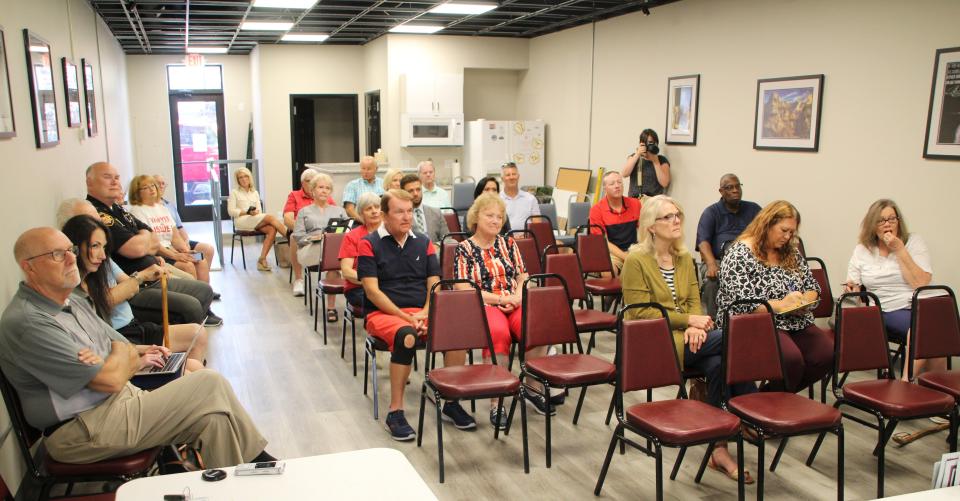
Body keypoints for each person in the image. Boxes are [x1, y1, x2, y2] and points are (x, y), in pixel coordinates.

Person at [0, 227, 275, 468]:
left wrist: (112, 356)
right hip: (83, 429)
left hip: (118, 403)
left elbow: (121, 346)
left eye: (70, 250)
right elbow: (110, 378)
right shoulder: (29, 322)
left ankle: (235, 486)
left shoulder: (71, 301)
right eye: (57, 255)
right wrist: (117, 358)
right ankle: (260, 462)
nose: (72, 258)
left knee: (214, 420)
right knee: (208, 382)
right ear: (29, 267)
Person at [621, 195, 756, 484]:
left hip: (691, 340)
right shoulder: (636, 260)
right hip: (653, 342)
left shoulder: (683, 258)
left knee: (720, 363)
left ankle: (719, 448)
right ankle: (749, 404)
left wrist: (697, 326)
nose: (676, 221)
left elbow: (695, 299)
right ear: (651, 226)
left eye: (678, 215)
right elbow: (641, 313)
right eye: (668, 217)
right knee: (737, 335)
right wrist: (689, 321)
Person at [357, 189, 474, 440]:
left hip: (420, 312)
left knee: (456, 333)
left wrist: (425, 312)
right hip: (383, 314)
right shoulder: (369, 243)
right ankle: (395, 411)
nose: (406, 216)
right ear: (385, 215)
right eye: (399, 211)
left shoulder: (423, 241)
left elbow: (435, 284)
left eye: (409, 211)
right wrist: (406, 317)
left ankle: (451, 402)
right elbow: (372, 291)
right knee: (407, 336)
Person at [61, 214, 208, 373]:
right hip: (121, 342)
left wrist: (145, 349)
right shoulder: (73, 293)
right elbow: (106, 304)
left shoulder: (102, 264)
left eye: (103, 247)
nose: (102, 255)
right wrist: (139, 277)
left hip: (133, 329)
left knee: (197, 340)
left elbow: (131, 288)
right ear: (74, 247)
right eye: (95, 246)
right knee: (193, 372)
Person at [453, 194, 553, 426]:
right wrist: (500, 299)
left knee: (536, 326)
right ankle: (497, 402)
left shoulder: (508, 243)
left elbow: (523, 275)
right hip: (485, 304)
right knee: (498, 333)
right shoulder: (464, 248)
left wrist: (518, 295)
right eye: (490, 215)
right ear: (476, 217)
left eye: (500, 216)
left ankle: (530, 386)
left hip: (513, 300)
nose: (496, 221)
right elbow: (463, 287)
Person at [716, 200, 832, 394]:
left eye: (792, 233)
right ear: (767, 224)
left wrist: (804, 299)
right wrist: (782, 305)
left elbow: (813, 287)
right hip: (755, 323)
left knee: (826, 354)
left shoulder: (790, 252)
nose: (787, 237)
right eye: (783, 230)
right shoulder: (739, 253)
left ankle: (770, 398)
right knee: (791, 360)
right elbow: (744, 304)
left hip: (794, 320)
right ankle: (771, 405)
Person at [85, 162, 221, 326]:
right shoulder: (98, 213)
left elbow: (154, 237)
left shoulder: (118, 209)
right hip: (142, 279)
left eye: (117, 177)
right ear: (89, 182)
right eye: (107, 177)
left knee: (203, 275)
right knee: (192, 294)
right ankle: (193, 322)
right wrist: (149, 243)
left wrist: (180, 250)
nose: (115, 182)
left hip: (157, 262)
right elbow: (134, 248)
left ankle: (203, 313)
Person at [56, 199, 219, 328]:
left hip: (139, 292)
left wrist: (139, 277)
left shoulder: (117, 222)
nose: (99, 225)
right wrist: (139, 277)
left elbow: (129, 280)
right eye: (90, 221)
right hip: (126, 321)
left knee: (203, 283)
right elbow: (103, 301)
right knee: (190, 306)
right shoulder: (76, 266)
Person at [844, 199, 943, 379]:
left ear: (899, 222)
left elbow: (921, 283)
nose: (887, 224)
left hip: (920, 303)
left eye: (892, 219)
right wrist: (852, 288)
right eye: (881, 220)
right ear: (872, 225)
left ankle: (936, 390)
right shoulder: (862, 250)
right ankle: (908, 383)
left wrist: (900, 250)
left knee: (935, 324)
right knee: (928, 327)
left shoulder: (913, 242)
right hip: (887, 308)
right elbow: (854, 285)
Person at [695, 174, 762, 317]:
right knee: (712, 282)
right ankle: (713, 324)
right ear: (721, 191)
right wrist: (711, 264)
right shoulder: (711, 212)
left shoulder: (753, 209)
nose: (735, 190)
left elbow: (766, 233)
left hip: (750, 261)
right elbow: (702, 241)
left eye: (738, 186)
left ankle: (756, 321)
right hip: (718, 261)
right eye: (729, 187)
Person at [127, 175, 210, 283]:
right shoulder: (137, 211)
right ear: (137, 192)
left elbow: (175, 237)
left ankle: (206, 296)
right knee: (188, 266)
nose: (152, 189)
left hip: (171, 249)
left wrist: (186, 251)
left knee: (201, 260)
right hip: (158, 254)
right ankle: (195, 297)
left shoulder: (162, 208)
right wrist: (176, 256)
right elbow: (152, 244)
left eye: (152, 185)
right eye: (145, 187)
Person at [292, 173, 347, 322]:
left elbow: (347, 234)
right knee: (334, 258)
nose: (324, 191)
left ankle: (331, 308)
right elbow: (297, 236)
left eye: (328, 188)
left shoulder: (339, 211)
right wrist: (313, 238)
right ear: (313, 190)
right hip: (311, 248)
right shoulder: (304, 211)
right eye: (321, 187)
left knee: (333, 262)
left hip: (333, 251)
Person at [154, 174, 216, 278]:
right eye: (157, 183)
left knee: (206, 252)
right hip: (168, 248)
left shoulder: (168, 205)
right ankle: (197, 288)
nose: (160, 186)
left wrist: (186, 243)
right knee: (190, 264)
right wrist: (179, 250)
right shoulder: (146, 210)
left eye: (163, 183)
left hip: (179, 243)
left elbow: (179, 227)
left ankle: (205, 289)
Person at [227, 167, 287, 272]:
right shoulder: (234, 192)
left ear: (249, 178)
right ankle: (291, 238)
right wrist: (246, 212)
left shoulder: (255, 192)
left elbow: (259, 210)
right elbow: (231, 211)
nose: (243, 179)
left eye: (246, 176)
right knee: (271, 217)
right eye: (240, 177)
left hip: (254, 219)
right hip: (241, 221)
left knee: (272, 229)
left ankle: (262, 260)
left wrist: (255, 212)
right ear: (238, 180)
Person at [588, 171, 641, 275]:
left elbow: (644, 231)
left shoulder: (635, 203)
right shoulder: (596, 210)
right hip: (612, 252)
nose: (617, 186)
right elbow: (603, 242)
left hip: (634, 249)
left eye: (619, 182)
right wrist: (626, 257)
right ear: (605, 188)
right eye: (612, 184)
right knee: (608, 273)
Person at [339, 193, 382, 309]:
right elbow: (346, 271)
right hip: (358, 288)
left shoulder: (391, 232)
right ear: (361, 213)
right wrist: (372, 281)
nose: (374, 211)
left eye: (377, 207)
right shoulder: (352, 236)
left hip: (388, 285)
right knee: (380, 301)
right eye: (369, 208)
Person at [285, 168, 321, 296]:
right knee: (295, 237)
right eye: (308, 181)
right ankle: (299, 279)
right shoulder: (294, 195)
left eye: (314, 181)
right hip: (300, 232)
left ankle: (334, 277)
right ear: (302, 183)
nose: (311, 184)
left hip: (320, 233)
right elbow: (288, 219)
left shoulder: (324, 196)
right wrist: (302, 229)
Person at [621, 128, 671, 200]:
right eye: (646, 143)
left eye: (651, 142)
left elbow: (665, 183)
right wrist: (637, 154)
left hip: (654, 202)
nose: (649, 146)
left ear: (656, 144)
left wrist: (655, 161)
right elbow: (624, 174)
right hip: (634, 200)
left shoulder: (661, 160)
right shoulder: (634, 157)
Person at [401, 174, 446, 246]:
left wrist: (436, 246)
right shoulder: (400, 217)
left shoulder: (436, 213)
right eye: (410, 191)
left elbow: (448, 239)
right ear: (403, 193)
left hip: (436, 253)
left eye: (418, 189)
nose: (415, 194)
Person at [499, 162, 540, 231]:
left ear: (518, 176)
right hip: (506, 239)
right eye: (508, 175)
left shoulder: (530, 199)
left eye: (514, 174)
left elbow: (537, 225)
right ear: (502, 179)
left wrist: (526, 236)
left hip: (527, 238)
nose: (511, 177)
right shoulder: (497, 200)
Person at [343, 156, 385, 220]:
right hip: (360, 222)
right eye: (363, 168)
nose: (365, 171)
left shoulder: (384, 184)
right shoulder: (352, 185)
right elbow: (349, 209)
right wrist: (363, 222)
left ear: (376, 169)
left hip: (381, 221)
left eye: (369, 169)